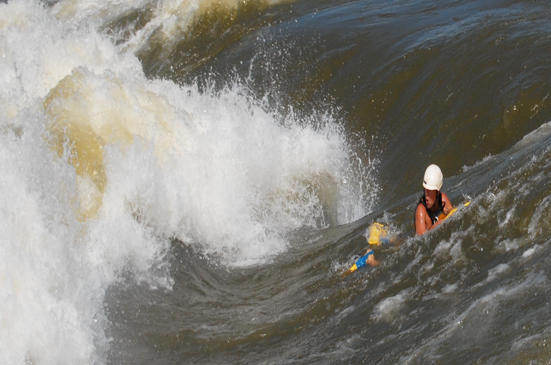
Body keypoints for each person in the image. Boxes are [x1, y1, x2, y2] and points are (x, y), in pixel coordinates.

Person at [415, 164, 454, 235]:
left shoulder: (443, 199)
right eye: (426, 190)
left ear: (437, 192)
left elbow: (453, 213)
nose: (426, 194)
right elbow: (420, 240)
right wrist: (435, 226)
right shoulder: (421, 210)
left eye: (430, 191)